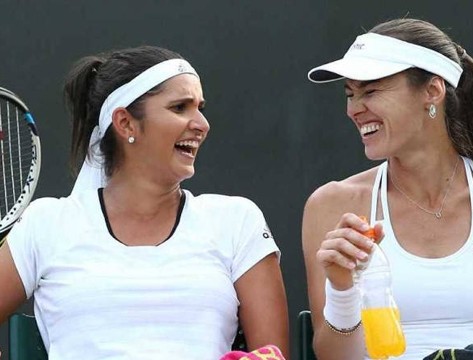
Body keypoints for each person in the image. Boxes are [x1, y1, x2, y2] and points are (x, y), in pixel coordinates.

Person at [0, 45, 289, 359]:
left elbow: (271, 355)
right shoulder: (46, 223)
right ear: (125, 123)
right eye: (180, 107)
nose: (202, 124)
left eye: (199, 107)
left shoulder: (237, 221)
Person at [302, 18, 473, 360]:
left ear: (433, 91)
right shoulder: (332, 204)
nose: (354, 109)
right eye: (351, 94)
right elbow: (335, 357)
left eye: (370, 91)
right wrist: (342, 289)